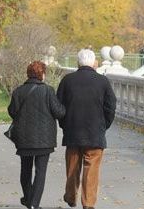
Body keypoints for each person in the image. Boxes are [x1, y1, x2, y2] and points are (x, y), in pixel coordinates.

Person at [57, 49, 116, 209]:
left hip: (73, 132)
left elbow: (59, 107)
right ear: (93, 63)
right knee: (91, 170)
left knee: (72, 167)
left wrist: (65, 125)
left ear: (78, 62)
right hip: (95, 133)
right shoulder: (102, 81)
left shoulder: (67, 80)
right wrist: (104, 125)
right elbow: (111, 107)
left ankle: (70, 196)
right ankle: (88, 203)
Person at [8, 61, 66, 209]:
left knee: (25, 169)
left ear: (28, 74)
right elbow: (59, 112)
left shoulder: (18, 91)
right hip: (44, 140)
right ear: (42, 74)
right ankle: (34, 204)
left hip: (24, 139)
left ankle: (28, 199)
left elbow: (12, 111)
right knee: (41, 172)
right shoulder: (48, 91)